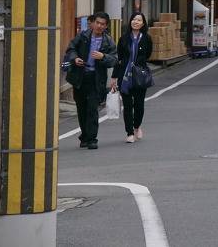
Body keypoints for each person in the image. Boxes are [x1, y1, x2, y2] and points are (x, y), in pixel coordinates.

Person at [63, 12, 116, 150]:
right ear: (93, 23)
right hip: (80, 77)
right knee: (81, 108)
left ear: (106, 26)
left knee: (92, 109)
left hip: (96, 78)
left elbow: (114, 59)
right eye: (97, 23)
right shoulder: (83, 36)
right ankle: (85, 136)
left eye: (102, 24)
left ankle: (92, 139)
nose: (99, 26)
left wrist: (103, 56)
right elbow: (71, 49)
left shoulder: (108, 41)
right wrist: (75, 59)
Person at [110, 12, 153, 144]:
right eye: (134, 19)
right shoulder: (124, 38)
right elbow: (120, 59)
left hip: (140, 75)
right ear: (130, 22)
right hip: (125, 76)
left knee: (139, 104)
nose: (136, 22)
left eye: (139, 20)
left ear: (143, 23)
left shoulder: (146, 38)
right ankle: (129, 133)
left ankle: (137, 126)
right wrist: (114, 76)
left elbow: (148, 55)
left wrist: (137, 63)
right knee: (127, 106)